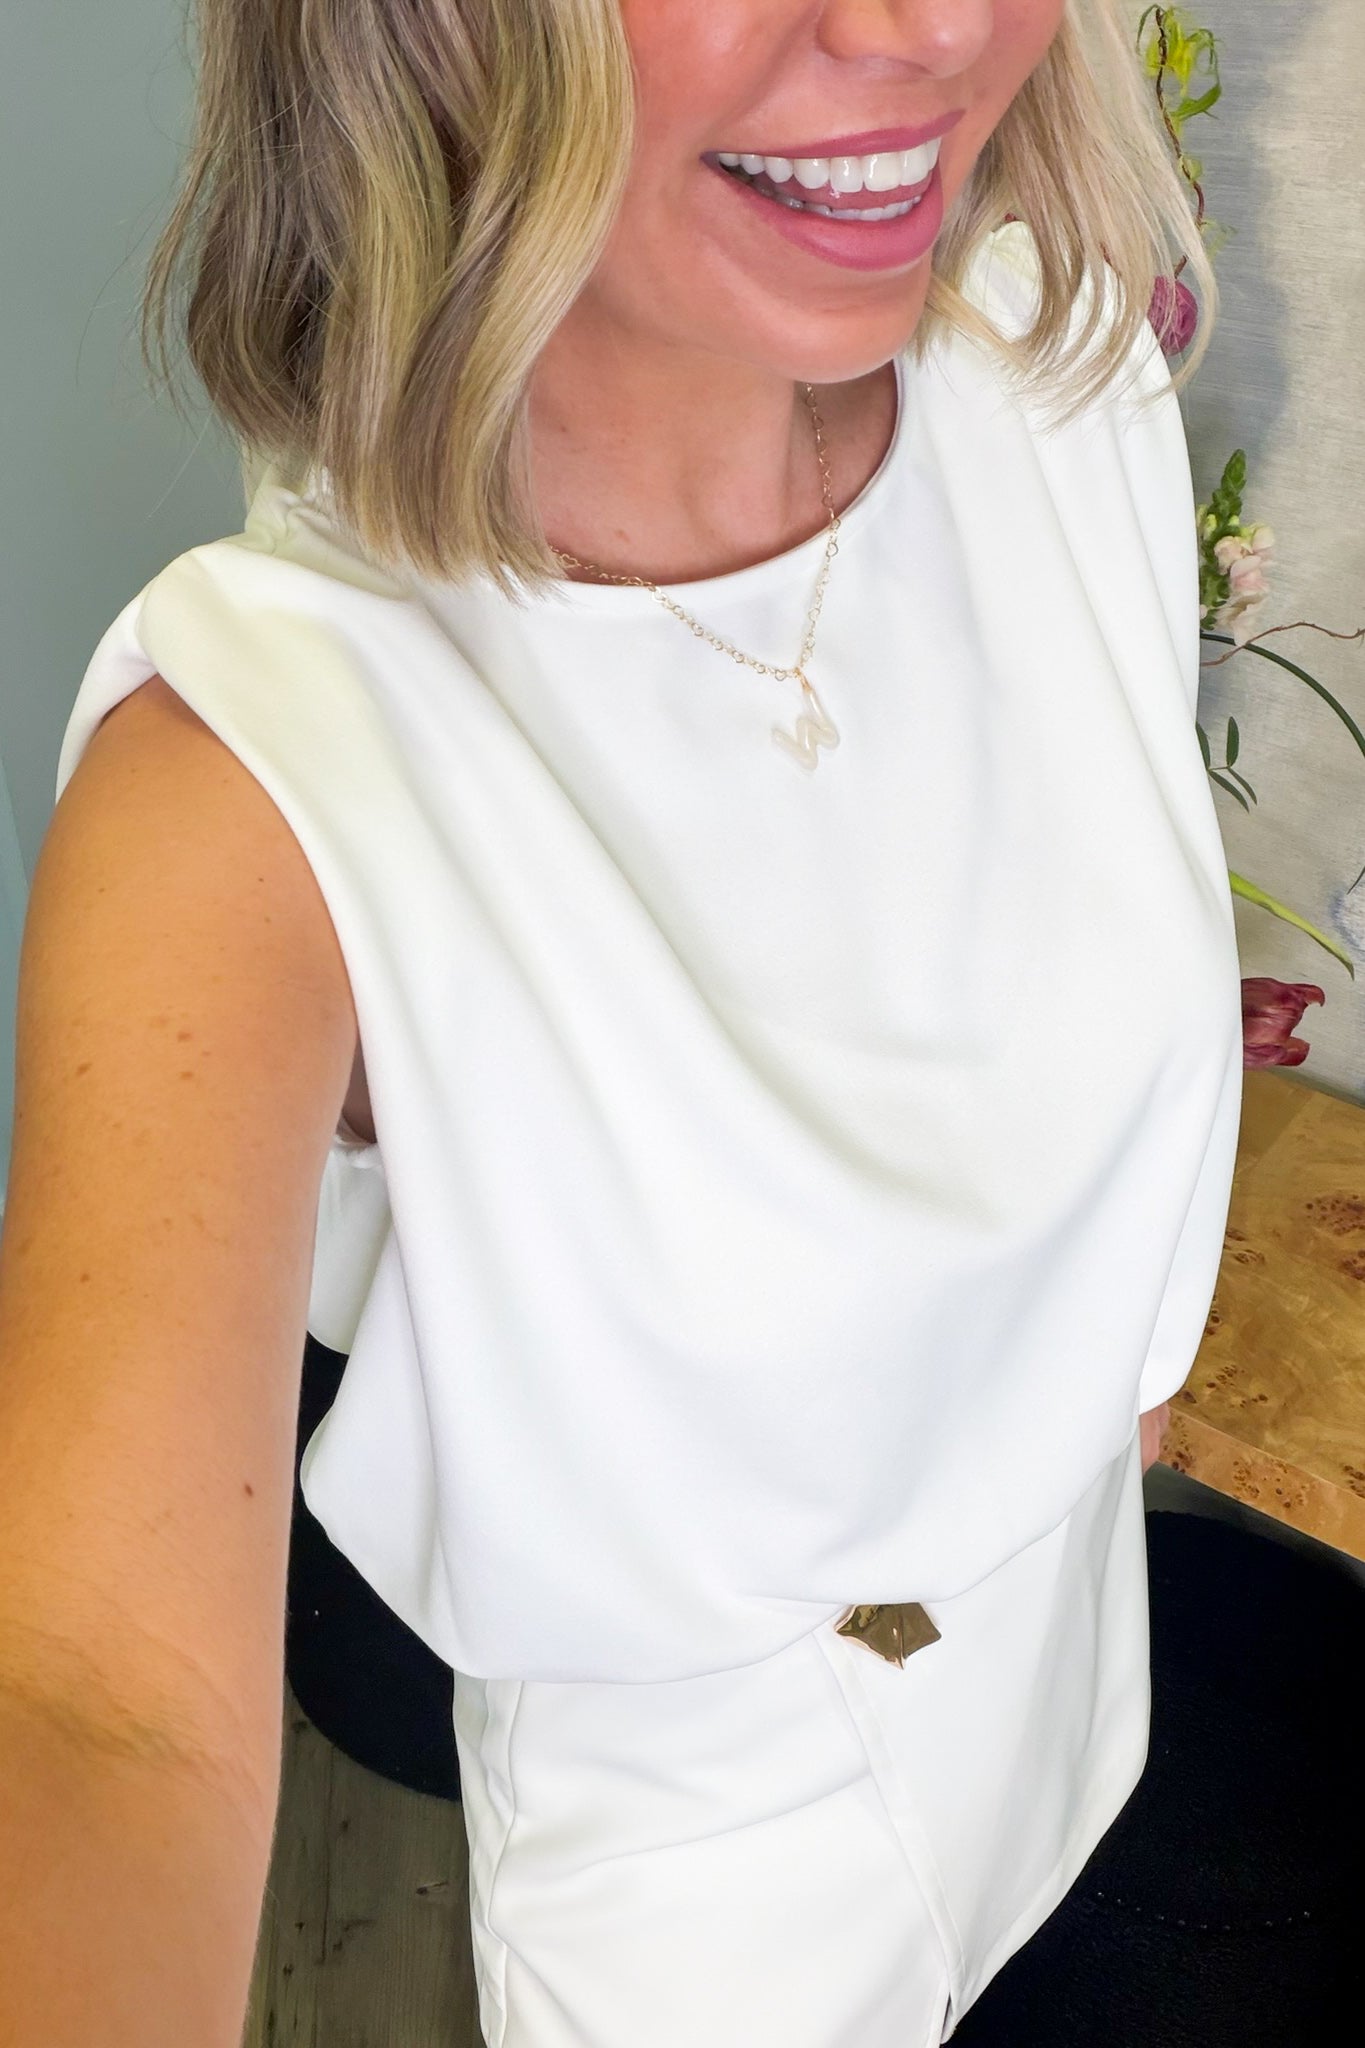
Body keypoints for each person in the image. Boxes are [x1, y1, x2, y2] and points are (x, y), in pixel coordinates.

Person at [0, 3, 1244, 2044]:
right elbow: (98, 1705)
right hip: (704, 1939)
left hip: (1081, 1722)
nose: (936, 27)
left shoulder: (1056, 378)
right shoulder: (247, 789)